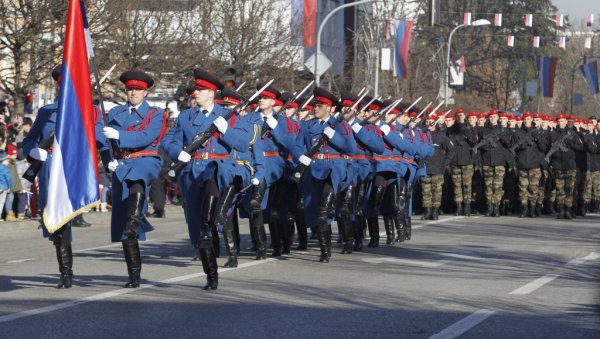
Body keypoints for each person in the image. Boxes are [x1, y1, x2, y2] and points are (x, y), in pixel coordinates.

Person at [161, 68, 252, 289]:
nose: (195, 93)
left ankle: (214, 230)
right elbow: (167, 141)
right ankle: (211, 274)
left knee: (205, 220)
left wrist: (226, 131)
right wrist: (178, 152)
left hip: (217, 170)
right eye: (195, 90)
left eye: (199, 90)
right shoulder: (185, 116)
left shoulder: (228, 116)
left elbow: (242, 143)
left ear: (211, 93)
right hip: (192, 171)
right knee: (198, 227)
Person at [23, 65, 107, 288]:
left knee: (65, 217)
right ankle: (65, 271)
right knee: (55, 221)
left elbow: (99, 140)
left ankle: (66, 272)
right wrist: (33, 151)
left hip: (75, 166)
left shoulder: (90, 110)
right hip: (51, 166)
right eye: (63, 87)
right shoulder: (46, 112)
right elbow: (30, 140)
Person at [102, 69, 166, 288]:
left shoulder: (155, 113)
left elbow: (149, 136)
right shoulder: (116, 113)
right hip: (123, 163)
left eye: (137, 89)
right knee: (124, 222)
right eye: (130, 89)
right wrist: (108, 160)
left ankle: (135, 220)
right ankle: (134, 275)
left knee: (138, 177)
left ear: (145, 92)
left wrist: (120, 135)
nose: (133, 93)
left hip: (146, 158)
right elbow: (105, 143)